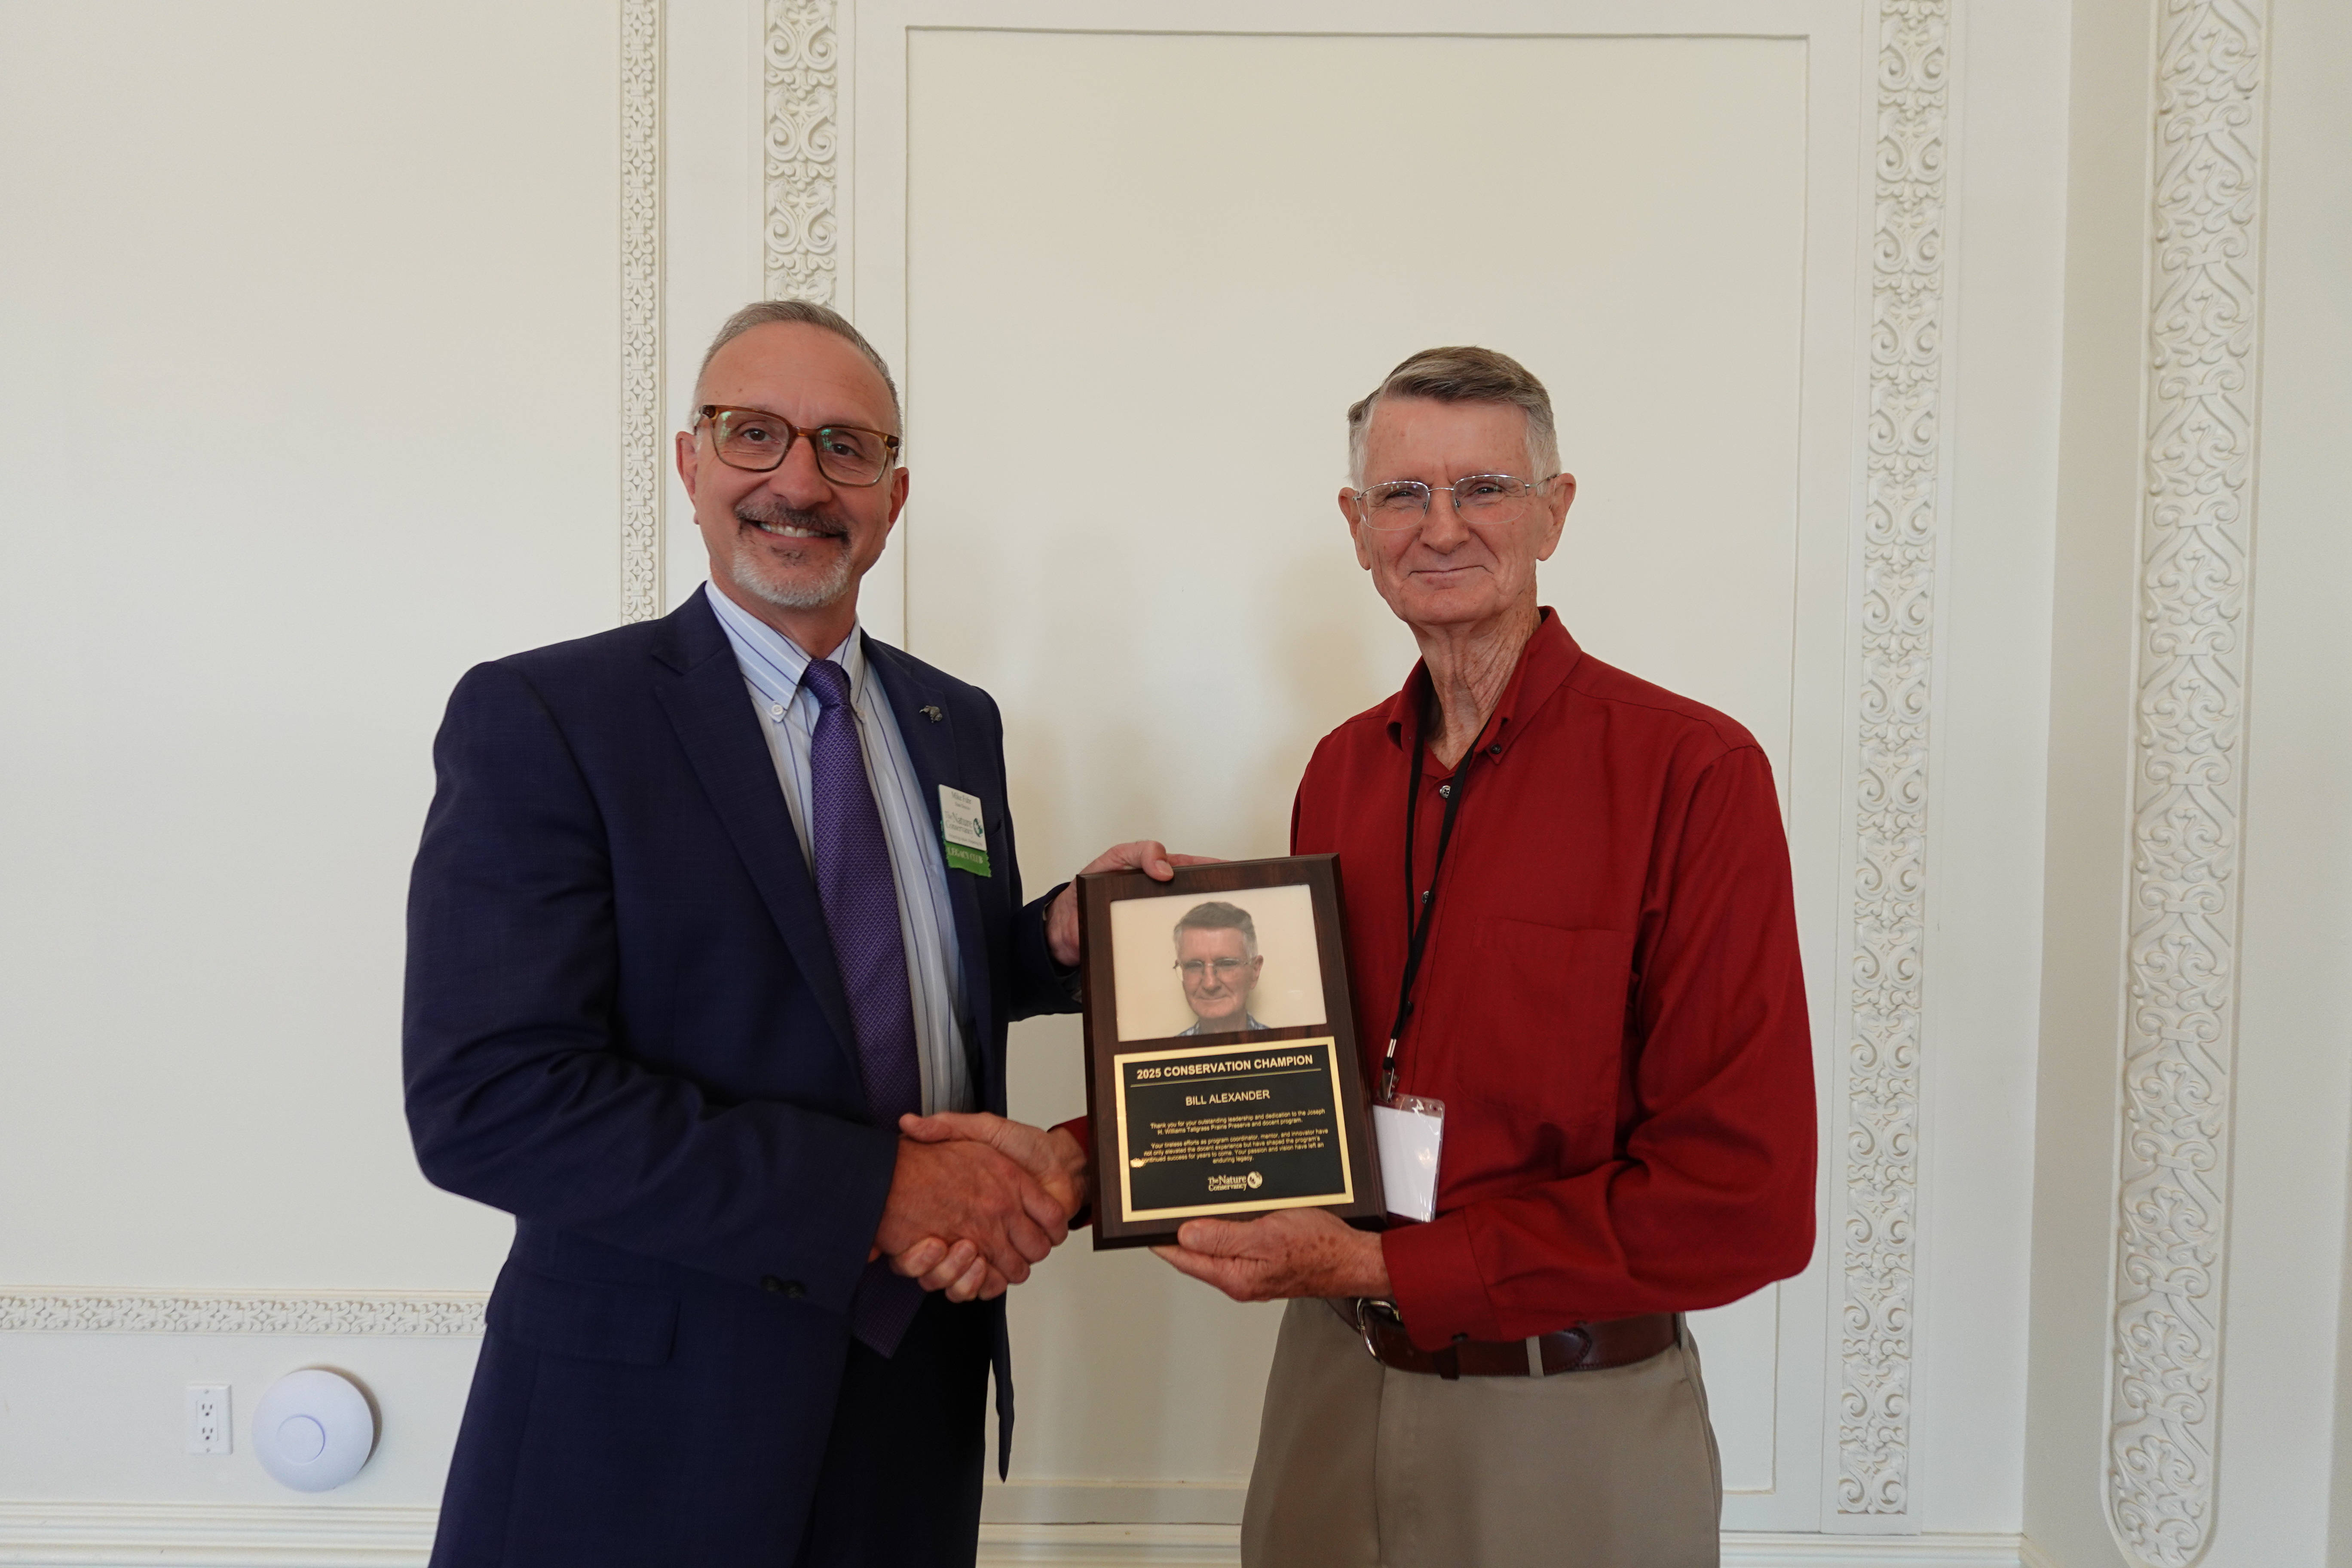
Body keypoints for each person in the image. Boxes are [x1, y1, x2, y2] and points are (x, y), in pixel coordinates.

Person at [404, 300, 1190, 1568]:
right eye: (755, 433)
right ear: (691, 461)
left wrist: (1050, 938)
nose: (799, 480)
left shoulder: (954, 722)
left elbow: (886, 974)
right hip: (649, 1426)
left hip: (913, 1389)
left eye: (845, 445)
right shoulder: (552, 717)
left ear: (896, 488)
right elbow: (491, 1100)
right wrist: (878, 1187)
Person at [1153, 346, 1817, 1568]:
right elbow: (1299, 1081)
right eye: (1404, 495)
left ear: (1556, 514)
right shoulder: (1340, 773)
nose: (1441, 527)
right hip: (1330, 1385)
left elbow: (1745, 1208)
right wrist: (1083, 1149)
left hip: (1568, 1421)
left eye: (1486, 490)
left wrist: (1384, 1260)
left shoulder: (1695, 776)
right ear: (1357, 529)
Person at [1172, 900, 1266, 1034]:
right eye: (1194, 966)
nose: (1210, 984)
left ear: (1255, 971)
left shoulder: (1286, 1048)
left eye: (1226, 964)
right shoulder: (1167, 1054)